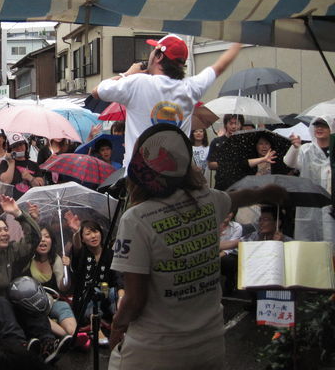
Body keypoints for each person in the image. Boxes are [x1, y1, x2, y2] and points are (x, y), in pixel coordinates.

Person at [107, 124, 287, 369]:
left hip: (155, 349)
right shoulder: (209, 199)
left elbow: (135, 299)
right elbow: (240, 197)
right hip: (210, 343)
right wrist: (266, 191)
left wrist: (118, 325)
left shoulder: (136, 219)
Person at [92, 36, 241, 173]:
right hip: (175, 178)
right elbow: (219, 67)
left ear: (159, 56)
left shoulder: (137, 82)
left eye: (153, 50)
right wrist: (239, 40)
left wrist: (127, 74)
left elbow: (96, 92)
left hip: (139, 178)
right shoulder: (190, 88)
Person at [0, 196, 71, 364]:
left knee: (25, 294)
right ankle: (18, 347)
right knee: (1, 301)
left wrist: (18, 213)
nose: (4, 233)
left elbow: (35, 238)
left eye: (6, 229)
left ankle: (47, 343)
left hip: (12, 302)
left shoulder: (12, 250)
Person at [67, 218, 124, 345]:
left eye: (95, 231)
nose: (93, 236)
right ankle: (96, 327)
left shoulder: (110, 254)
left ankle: (120, 324)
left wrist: (121, 298)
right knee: (93, 293)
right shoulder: (82, 254)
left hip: (104, 291)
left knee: (113, 291)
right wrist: (76, 232)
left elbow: (118, 278)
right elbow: (76, 248)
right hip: (85, 298)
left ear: (101, 233)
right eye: (88, 234)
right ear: (82, 239)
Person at [23, 226, 79, 341]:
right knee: (38, 315)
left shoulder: (56, 259)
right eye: (40, 237)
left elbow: (63, 287)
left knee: (64, 307)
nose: (43, 240)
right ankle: (68, 338)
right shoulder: (27, 259)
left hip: (53, 301)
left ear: (52, 241)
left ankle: (74, 334)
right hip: (34, 305)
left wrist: (66, 270)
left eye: (47, 236)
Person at [283, 116, 334, 241]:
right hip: (310, 205)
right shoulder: (306, 149)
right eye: (317, 125)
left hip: (331, 205)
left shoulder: (333, 151)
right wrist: (295, 147)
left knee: (330, 241)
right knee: (309, 242)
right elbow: (289, 163)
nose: (319, 128)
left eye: (324, 126)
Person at [0, 133, 44, 199]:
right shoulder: (5, 163)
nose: (19, 148)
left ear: (25, 145)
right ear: (10, 149)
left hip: (30, 201)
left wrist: (30, 178)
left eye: (21, 144)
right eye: (15, 146)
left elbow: (40, 187)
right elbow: (6, 181)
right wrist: (11, 163)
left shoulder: (34, 164)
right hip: (11, 201)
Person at [206, 114, 245, 190]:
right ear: (225, 124)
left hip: (241, 185)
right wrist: (229, 164)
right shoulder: (216, 142)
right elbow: (210, 164)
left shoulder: (245, 142)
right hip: (221, 184)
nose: (233, 126)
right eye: (230, 123)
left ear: (241, 125)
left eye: (236, 123)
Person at [219, 211, 242, 295]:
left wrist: (217, 257)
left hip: (230, 254)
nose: (227, 214)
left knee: (228, 261)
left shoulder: (237, 227)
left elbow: (231, 247)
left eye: (230, 212)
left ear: (233, 214)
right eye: (226, 211)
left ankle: (230, 281)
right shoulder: (214, 225)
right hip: (215, 251)